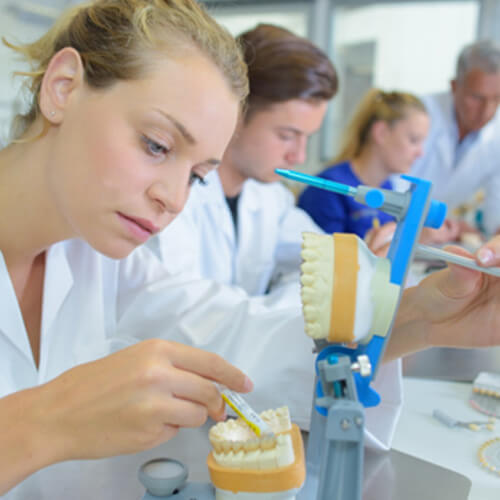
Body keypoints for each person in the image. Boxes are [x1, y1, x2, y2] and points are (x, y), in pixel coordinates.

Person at [3, 3, 500, 498]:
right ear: (63, 86)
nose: (174, 200)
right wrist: (44, 421)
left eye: (198, 177)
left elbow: (228, 334)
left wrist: (422, 317)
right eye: (156, 144)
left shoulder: (98, 258)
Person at [148, 24, 336, 295]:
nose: (299, 156)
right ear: (235, 115)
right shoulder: (173, 195)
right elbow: (185, 311)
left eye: (307, 137)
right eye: (286, 135)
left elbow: (323, 262)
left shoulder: (271, 197)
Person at [395, 39, 500, 236]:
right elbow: (391, 183)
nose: (487, 110)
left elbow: (496, 215)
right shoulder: (418, 114)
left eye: (497, 99)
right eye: (477, 97)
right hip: (393, 228)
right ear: (454, 86)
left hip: (437, 239)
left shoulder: (497, 138)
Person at [297, 89, 429, 239]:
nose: (420, 153)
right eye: (413, 140)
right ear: (382, 133)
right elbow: (323, 258)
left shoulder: (388, 188)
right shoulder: (327, 190)